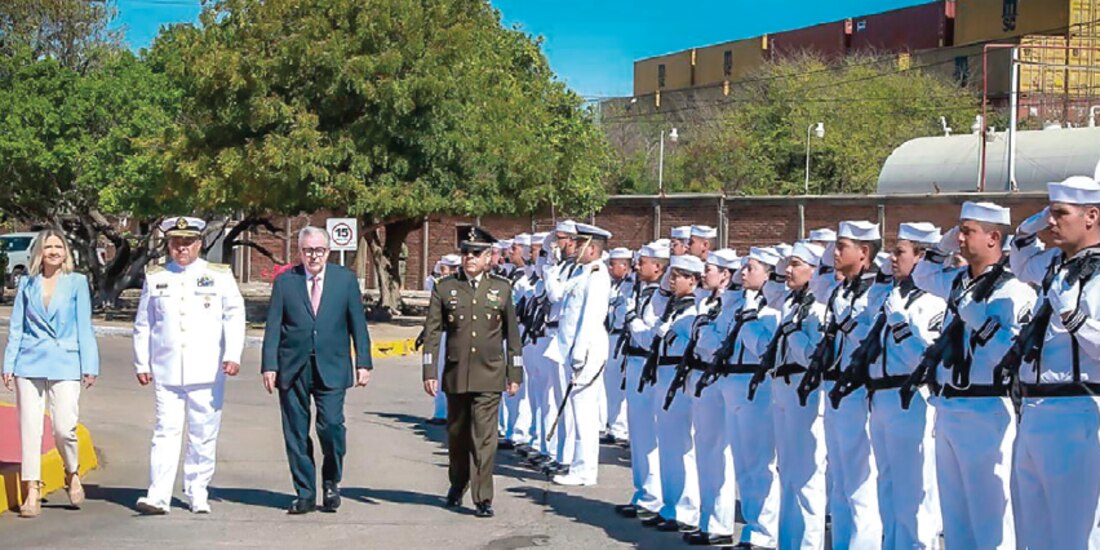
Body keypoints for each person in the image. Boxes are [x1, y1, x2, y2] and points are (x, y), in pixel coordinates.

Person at [911, 201, 1036, 549]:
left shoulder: (1014, 291)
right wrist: (945, 243)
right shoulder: (957, 282)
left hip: (988, 409)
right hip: (949, 406)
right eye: (960, 231)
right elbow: (922, 275)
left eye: (968, 232)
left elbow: (1013, 358)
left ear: (994, 237)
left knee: (991, 514)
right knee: (956, 515)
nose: (962, 239)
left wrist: (980, 323)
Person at [1010, 176, 1100, 548]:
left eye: (1061, 213)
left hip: (1078, 410)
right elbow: (1018, 258)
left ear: (1092, 216)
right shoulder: (1053, 264)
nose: (1052, 222)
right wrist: (1036, 218)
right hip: (1034, 408)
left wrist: (1076, 319)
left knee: (1074, 532)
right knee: (1033, 532)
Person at [133, 217, 246, 515]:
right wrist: (141, 361)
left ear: (198, 244)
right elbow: (144, 324)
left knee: (203, 432)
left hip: (206, 369)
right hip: (167, 368)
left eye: (187, 243)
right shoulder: (156, 276)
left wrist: (232, 355)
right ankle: (158, 495)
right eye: (175, 243)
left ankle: (197, 490)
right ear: (168, 245)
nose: (181, 249)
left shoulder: (218, 275)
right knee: (164, 432)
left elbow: (234, 316)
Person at [261, 226, 373, 515]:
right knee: (296, 432)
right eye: (308, 250)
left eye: (319, 250)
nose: (314, 256)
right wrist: (269, 365)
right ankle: (305, 492)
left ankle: (332, 481)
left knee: (331, 426)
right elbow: (274, 326)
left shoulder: (344, 280)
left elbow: (357, 323)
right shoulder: (286, 282)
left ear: (328, 251)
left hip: (332, 364)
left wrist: (363, 361)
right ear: (299, 252)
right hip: (293, 366)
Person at [422, 226, 522, 519]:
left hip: (490, 374)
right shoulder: (445, 287)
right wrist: (429, 370)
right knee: (457, 436)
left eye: (476, 253)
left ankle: (482, 497)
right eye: (466, 252)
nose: (470, 258)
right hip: (456, 373)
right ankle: (458, 483)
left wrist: (514, 374)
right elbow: (431, 332)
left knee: (484, 437)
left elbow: (512, 336)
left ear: (489, 256)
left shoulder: (501, 288)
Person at [2, 229, 99, 518]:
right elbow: (17, 327)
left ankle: (71, 471)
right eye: (48, 247)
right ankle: (32, 489)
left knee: (63, 427)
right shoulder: (27, 283)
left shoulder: (77, 283)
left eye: (59, 246)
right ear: (39, 253)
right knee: (30, 428)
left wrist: (89, 365)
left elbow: (85, 326)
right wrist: (9, 364)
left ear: (66, 251)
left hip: (66, 361)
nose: (54, 251)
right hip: (29, 362)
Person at [692, 247, 782, 547]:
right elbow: (710, 342)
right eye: (743, 267)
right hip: (729, 381)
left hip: (756, 383)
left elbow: (765, 348)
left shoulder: (773, 307)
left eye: (751, 268)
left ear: (768, 274)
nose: (742, 273)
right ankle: (732, 525)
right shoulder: (735, 303)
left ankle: (764, 532)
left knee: (758, 462)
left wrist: (749, 323)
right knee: (741, 463)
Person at [770, 242, 829, 549]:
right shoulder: (792, 304)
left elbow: (813, 356)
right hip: (782, 389)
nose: (788, 271)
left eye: (795, 264)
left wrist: (793, 332)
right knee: (789, 473)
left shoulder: (817, 308)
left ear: (815, 270)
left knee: (807, 475)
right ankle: (789, 542)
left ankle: (808, 544)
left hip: (803, 391)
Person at [679, 248, 738, 545]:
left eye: (710, 269)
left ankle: (721, 523)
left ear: (726, 274)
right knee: (705, 451)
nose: (704, 274)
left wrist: (704, 331)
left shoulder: (733, 302)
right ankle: (707, 519)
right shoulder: (708, 300)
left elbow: (721, 341)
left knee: (718, 453)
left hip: (717, 378)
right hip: (699, 376)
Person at [546, 223, 613, 486]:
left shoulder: (597, 275)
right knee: (576, 410)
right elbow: (557, 294)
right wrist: (551, 265)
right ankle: (578, 465)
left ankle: (585, 469)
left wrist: (579, 354)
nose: (575, 247)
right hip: (572, 348)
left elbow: (590, 318)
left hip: (587, 351)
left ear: (593, 249)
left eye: (581, 244)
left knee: (584, 412)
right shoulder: (583, 272)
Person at [642, 254, 704, 533]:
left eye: (678, 276)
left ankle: (688, 510)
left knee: (681, 446)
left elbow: (691, 343)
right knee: (667, 444)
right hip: (663, 374)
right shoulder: (673, 306)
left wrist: (668, 331)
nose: (671, 280)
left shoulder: (693, 311)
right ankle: (670, 505)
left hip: (679, 377)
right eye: (671, 274)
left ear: (692, 280)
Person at [614, 242, 670, 522]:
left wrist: (632, 319)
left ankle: (654, 497)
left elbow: (651, 338)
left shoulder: (660, 298)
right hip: (634, 364)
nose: (636, 266)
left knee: (650, 435)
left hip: (648, 366)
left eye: (643, 262)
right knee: (638, 434)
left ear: (658, 267)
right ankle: (643, 492)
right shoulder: (637, 291)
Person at [603, 247, 636, 444]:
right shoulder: (611, 285)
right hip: (610, 335)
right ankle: (614, 426)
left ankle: (622, 429)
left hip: (623, 337)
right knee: (611, 384)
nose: (609, 268)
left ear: (624, 266)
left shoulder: (631, 286)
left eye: (612, 264)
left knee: (621, 384)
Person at [427, 254, 461, 425]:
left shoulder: (461, 285)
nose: (452, 272)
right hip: (442, 332)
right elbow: (428, 284)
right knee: (440, 372)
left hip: (457, 333)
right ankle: (441, 412)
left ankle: (454, 412)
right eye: (449, 268)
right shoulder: (439, 284)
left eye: (455, 268)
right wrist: (438, 270)